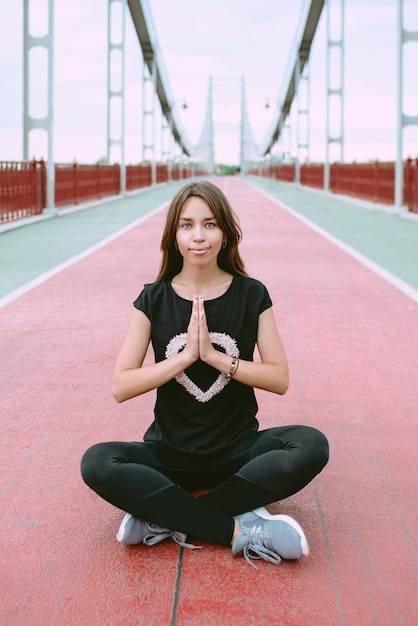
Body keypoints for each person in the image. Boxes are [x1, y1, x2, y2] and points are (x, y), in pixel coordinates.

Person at [81, 180, 329, 568]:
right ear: (173, 235)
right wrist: (182, 359)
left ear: (226, 233)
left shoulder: (251, 294)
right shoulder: (153, 297)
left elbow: (278, 378)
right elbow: (121, 385)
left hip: (237, 452)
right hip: (169, 453)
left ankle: (165, 517)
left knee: (311, 444)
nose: (199, 236)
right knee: (96, 461)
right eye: (187, 225)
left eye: (210, 224)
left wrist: (217, 359)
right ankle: (236, 529)